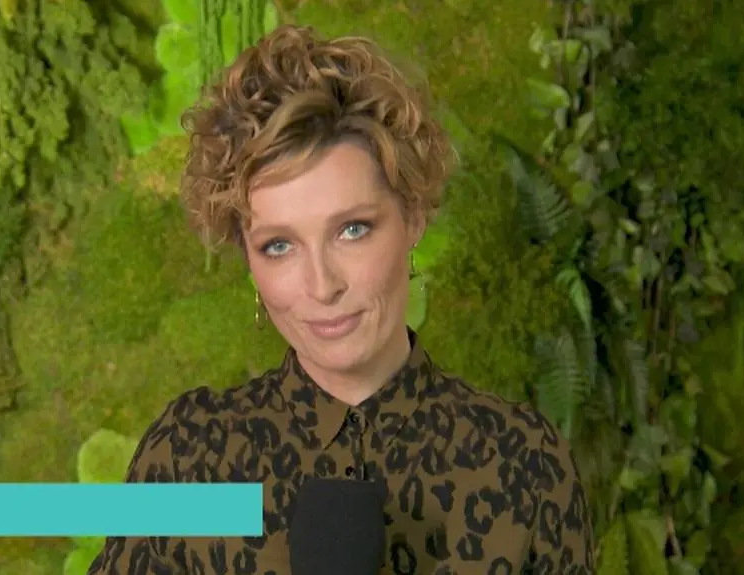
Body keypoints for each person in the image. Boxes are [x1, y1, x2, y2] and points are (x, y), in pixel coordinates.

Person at [88, 24, 594, 575]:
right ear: (249, 260)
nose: (322, 285)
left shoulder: (524, 464)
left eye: (352, 230)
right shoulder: (189, 458)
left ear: (412, 218)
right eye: (279, 246)